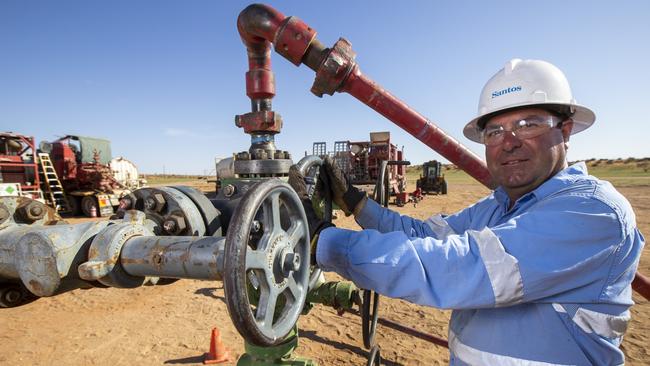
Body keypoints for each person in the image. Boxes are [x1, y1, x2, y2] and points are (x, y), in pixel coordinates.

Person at [289, 59, 645, 365]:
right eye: (494, 131)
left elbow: (457, 267)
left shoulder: (594, 213)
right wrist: (355, 202)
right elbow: (423, 237)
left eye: (529, 124)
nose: (509, 141)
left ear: (565, 130)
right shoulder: (498, 207)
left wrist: (322, 240)